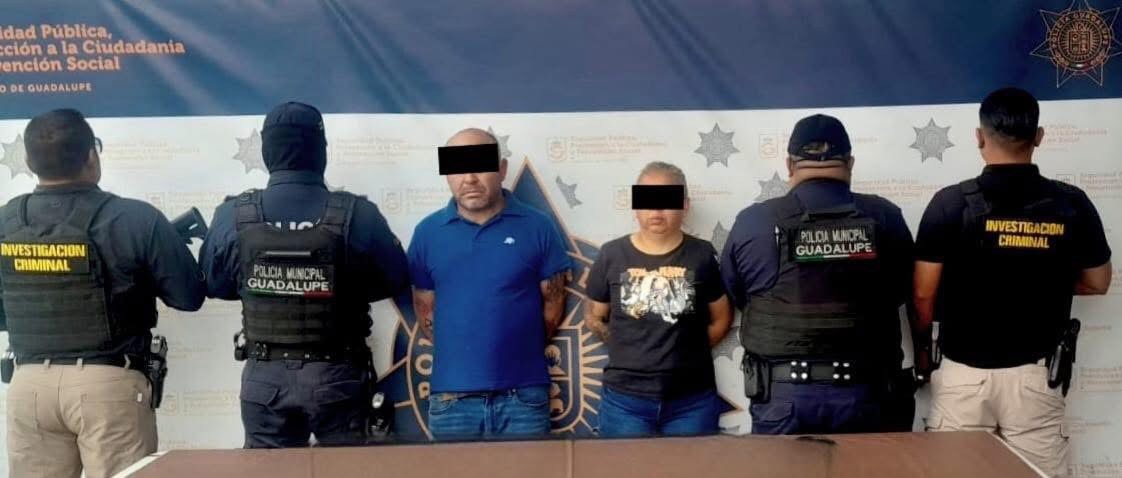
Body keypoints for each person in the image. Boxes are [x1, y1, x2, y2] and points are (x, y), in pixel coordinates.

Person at [914, 87, 1111, 477]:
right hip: (1035, 378)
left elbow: (922, 293)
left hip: (962, 375)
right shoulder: (1071, 202)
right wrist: (1041, 277)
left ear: (979, 137)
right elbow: (1098, 281)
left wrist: (923, 354)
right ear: (1038, 137)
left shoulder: (949, 203)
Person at [0, 109, 205, 477]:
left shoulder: (5, 221)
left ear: (29, 161)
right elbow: (189, 297)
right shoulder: (135, 219)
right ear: (92, 156)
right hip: (108, 387)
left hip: (27, 386)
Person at [199, 102, 409, 448]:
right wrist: (338, 285)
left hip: (264, 377)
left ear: (267, 151)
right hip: (337, 375)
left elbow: (216, 285)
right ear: (321, 150)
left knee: (270, 473)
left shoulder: (232, 213)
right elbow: (395, 280)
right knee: (347, 472)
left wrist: (267, 283)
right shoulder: (359, 213)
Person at [720, 114, 915, 435]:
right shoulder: (885, 216)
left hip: (784, 396)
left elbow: (738, 295)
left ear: (789, 164)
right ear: (850, 163)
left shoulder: (754, 221)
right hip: (868, 395)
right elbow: (902, 290)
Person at [408, 128, 571, 440]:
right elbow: (425, 312)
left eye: (480, 166)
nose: (469, 178)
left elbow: (553, 306)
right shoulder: (427, 233)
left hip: (524, 397)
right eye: (458, 167)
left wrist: (512, 349)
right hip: (451, 399)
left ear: (502, 170)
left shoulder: (539, 227)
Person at [585, 161, 732, 437]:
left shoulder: (702, 255)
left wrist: (687, 351)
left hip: (692, 401)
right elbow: (595, 315)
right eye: (648, 200)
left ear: (685, 205)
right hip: (624, 402)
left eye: (666, 200)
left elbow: (722, 317)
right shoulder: (611, 254)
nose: (656, 210)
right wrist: (628, 349)